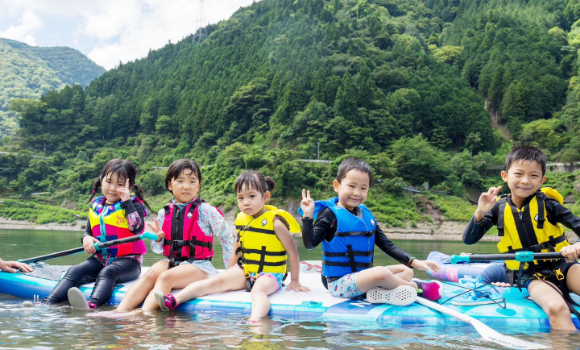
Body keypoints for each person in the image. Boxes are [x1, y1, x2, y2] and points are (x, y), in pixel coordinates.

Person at [155, 170, 309, 321]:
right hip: (246, 271)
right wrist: (228, 273)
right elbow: (236, 250)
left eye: (252, 196)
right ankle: (174, 300)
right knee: (214, 282)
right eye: (240, 198)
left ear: (265, 197)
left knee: (258, 290)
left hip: (269, 274)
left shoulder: (275, 223)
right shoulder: (241, 220)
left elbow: (293, 253)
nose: (245, 202)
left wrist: (295, 281)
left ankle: (255, 320)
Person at [463, 145, 580, 331]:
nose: (525, 181)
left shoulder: (549, 205)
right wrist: (479, 213)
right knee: (557, 308)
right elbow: (469, 240)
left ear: (542, 180)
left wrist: (576, 245)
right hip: (532, 275)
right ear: (505, 176)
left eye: (533, 176)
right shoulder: (497, 209)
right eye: (518, 174)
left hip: (563, 265)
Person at [300, 158, 443, 304]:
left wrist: (415, 262)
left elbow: (387, 245)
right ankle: (417, 288)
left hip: (361, 277)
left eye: (363, 188)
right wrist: (307, 217)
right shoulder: (329, 214)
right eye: (351, 186)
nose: (357, 193)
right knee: (381, 273)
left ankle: (378, 292)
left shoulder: (365, 214)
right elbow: (310, 244)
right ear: (337, 186)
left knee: (407, 271)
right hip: (338, 284)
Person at [116, 159, 234, 311]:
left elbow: (226, 236)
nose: (186, 186)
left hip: (200, 266)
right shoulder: (164, 213)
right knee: (150, 274)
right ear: (169, 185)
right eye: (180, 181)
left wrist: (230, 270)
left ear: (198, 186)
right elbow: (158, 249)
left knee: (166, 277)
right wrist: (158, 239)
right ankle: (118, 312)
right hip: (172, 261)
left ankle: (142, 316)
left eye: (192, 181)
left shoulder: (206, 211)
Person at [43, 159, 151, 309]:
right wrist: (86, 238)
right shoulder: (97, 206)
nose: (113, 188)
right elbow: (88, 231)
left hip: (129, 262)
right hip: (101, 258)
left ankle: (92, 305)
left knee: (108, 273)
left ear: (129, 187)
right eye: (108, 182)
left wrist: (126, 202)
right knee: (74, 271)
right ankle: (48, 302)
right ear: (101, 181)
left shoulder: (134, 205)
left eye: (120, 184)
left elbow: (137, 229)